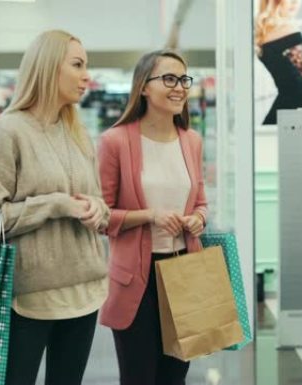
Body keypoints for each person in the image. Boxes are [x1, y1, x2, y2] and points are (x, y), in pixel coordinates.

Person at [0, 30, 110, 385]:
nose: (86, 75)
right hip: (29, 296)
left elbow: (101, 206)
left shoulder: (77, 133)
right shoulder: (9, 131)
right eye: (77, 65)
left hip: (84, 291)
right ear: (48, 68)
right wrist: (55, 205)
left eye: (86, 66)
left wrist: (96, 208)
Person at [98, 50, 208, 385]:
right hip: (136, 278)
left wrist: (198, 220)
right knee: (139, 377)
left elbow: (201, 203)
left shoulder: (191, 141)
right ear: (144, 87)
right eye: (170, 79)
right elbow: (102, 217)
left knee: (175, 377)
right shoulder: (115, 141)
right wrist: (151, 216)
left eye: (184, 80)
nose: (180, 88)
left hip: (184, 272)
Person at [255, 0, 302, 124]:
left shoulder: (264, 31)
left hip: (282, 114)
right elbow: (301, 84)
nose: (295, 2)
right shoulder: (289, 30)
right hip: (289, 115)